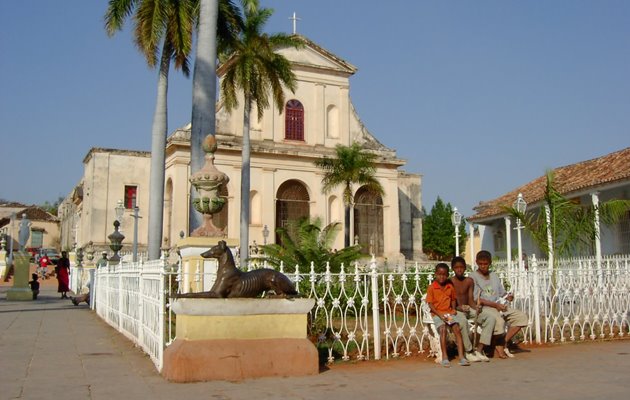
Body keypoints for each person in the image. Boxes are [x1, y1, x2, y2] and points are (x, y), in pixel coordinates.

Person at [470, 250, 529, 359]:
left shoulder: (494, 276)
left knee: (521, 317)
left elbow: (501, 292)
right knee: (499, 321)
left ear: (490, 263)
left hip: (499, 306)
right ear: (476, 262)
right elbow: (476, 299)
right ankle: (498, 346)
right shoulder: (473, 277)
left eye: (485, 264)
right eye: (480, 264)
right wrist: (495, 305)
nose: (483, 266)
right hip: (486, 308)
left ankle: (502, 342)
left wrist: (508, 296)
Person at [426, 263, 470, 367]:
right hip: (437, 314)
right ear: (435, 274)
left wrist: (453, 310)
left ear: (447, 275)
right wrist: (439, 314)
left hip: (447, 314)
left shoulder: (449, 286)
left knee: (456, 328)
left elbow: (453, 299)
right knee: (443, 329)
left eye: (444, 274)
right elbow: (430, 304)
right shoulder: (432, 287)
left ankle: (461, 357)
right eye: (439, 274)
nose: (442, 277)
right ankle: (445, 357)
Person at [450, 256, 494, 362]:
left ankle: (479, 350)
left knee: (490, 318)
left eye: (461, 267)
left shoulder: (469, 281)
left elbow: (470, 299)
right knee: (463, 322)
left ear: (465, 268)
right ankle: (468, 351)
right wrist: (459, 307)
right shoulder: (450, 281)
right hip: (456, 311)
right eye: (456, 267)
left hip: (469, 309)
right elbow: (450, 301)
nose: (459, 269)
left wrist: (476, 307)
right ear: (453, 269)